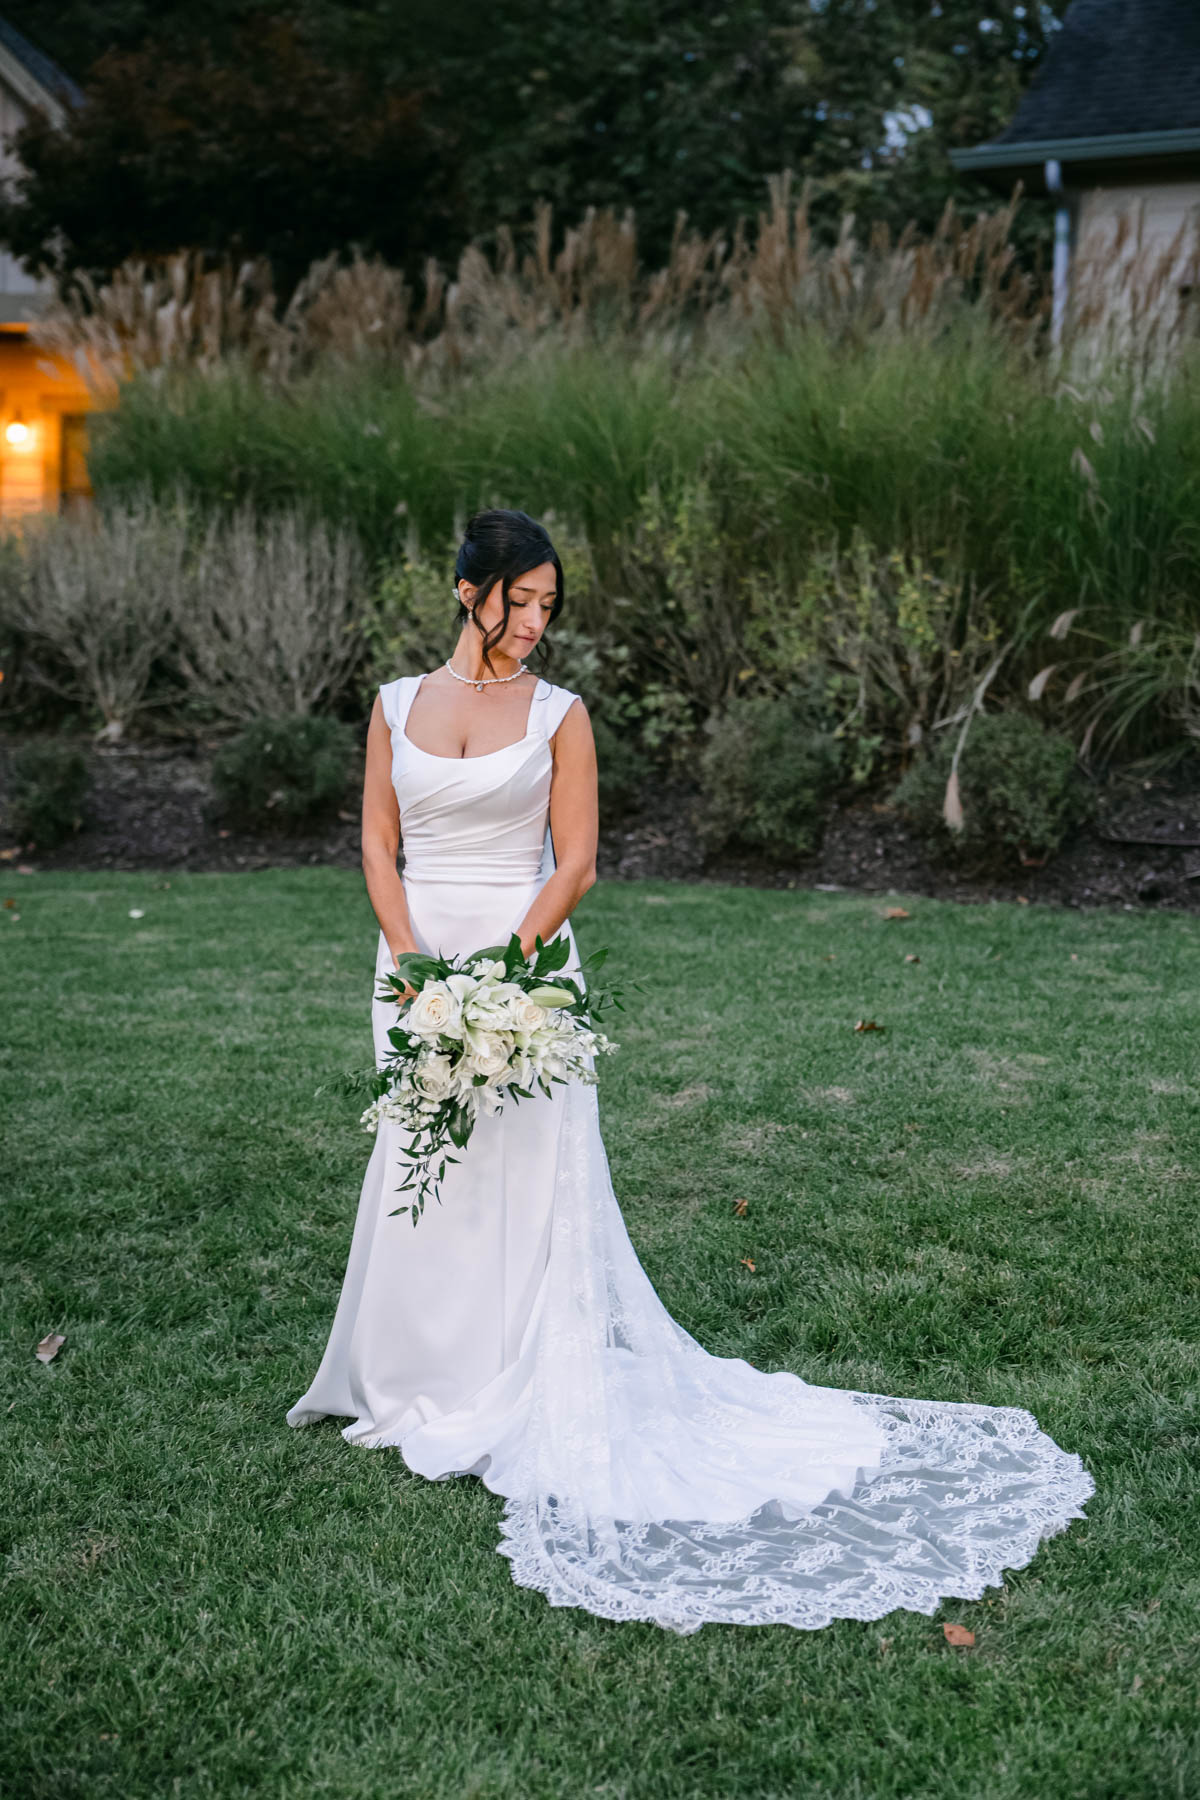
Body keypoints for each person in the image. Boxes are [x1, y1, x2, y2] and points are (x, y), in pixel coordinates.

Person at [287, 507, 1095, 1635]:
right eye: (521, 600)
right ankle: (412, 1373)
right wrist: (415, 964)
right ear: (469, 592)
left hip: (522, 962)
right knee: (425, 1150)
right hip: (412, 959)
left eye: (550, 605)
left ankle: (513, 1374)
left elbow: (578, 861)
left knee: (521, 1163)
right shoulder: (391, 706)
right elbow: (379, 842)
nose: (536, 621)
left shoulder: (561, 716)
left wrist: (503, 977)